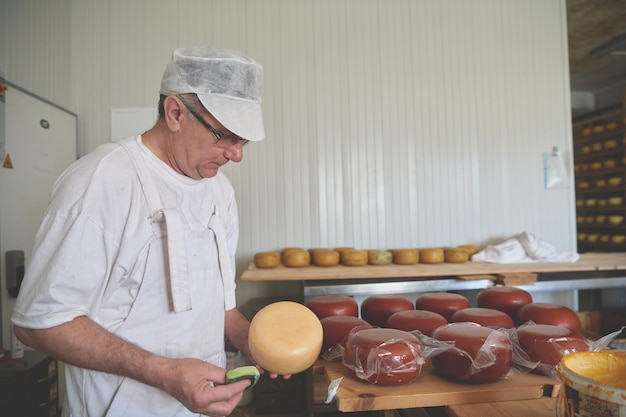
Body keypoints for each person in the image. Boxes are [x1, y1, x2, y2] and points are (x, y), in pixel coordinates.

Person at [11, 46, 282, 417]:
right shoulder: (102, 180)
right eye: (226, 135)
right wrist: (165, 373)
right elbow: (38, 323)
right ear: (175, 113)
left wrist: (253, 341)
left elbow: (221, 307)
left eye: (244, 140)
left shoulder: (219, 191)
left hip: (201, 409)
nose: (237, 155)